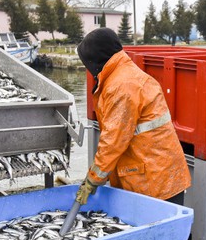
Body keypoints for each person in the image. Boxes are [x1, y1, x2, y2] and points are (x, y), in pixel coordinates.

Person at [75, 28, 191, 207]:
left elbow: (113, 142)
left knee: (159, 232)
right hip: (160, 172)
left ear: (95, 61)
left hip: (153, 180)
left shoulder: (121, 86)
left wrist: (92, 180)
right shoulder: (125, 74)